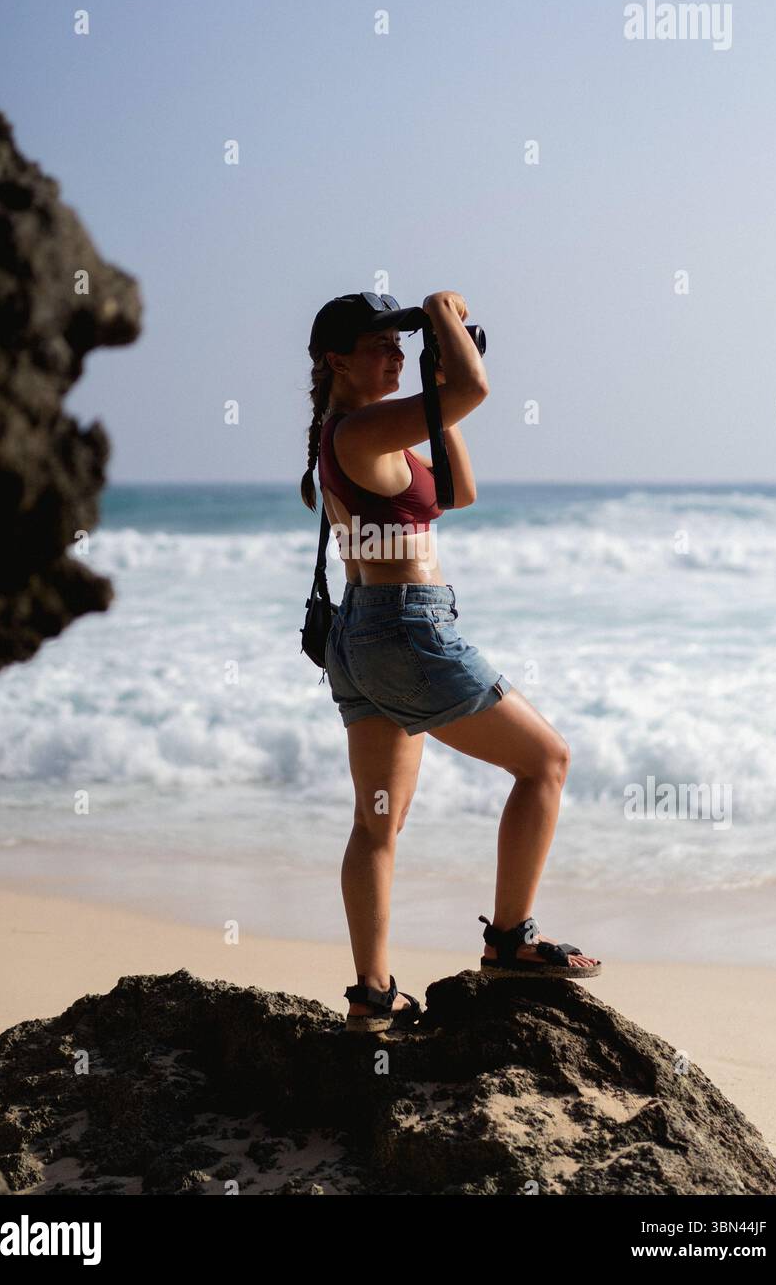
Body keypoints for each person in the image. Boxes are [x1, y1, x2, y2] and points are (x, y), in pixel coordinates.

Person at [301, 290, 601, 1032]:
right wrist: (440, 315)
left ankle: (374, 996)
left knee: (378, 821)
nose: (397, 355)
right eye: (382, 345)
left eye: (403, 342)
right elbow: (476, 390)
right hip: (406, 629)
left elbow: (458, 493)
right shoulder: (362, 431)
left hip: (359, 637)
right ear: (337, 360)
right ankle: (510, 942)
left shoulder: (370, 432)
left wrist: (434, 394)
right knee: (546, 763)